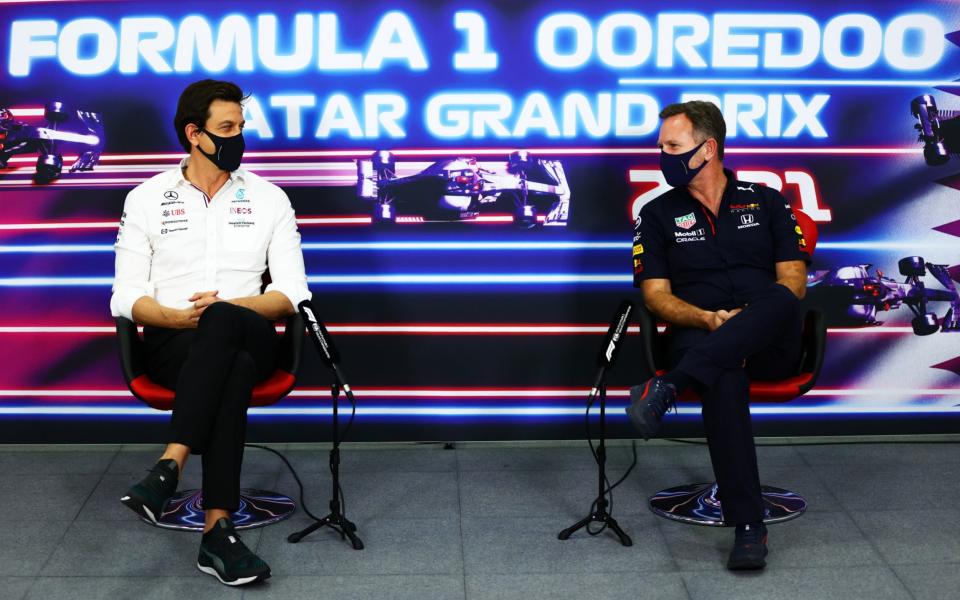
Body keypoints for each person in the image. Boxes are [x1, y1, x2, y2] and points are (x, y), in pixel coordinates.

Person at [110, 79, 310, 586]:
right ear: (194, 134)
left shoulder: (269, 198)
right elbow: (126, 297)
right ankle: (217, 534)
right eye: (226, 128)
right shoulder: (146, 198)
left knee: (226, 324)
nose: (238, 138)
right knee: (232, 367)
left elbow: (291, 294)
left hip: (254, 333)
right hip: (174, 340)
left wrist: (226, 309)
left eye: (241, 127)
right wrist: (181, 318)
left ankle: (170, 462)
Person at [626, 100, 809, 570]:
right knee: (721, 373)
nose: (662, 154)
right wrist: (709, 320)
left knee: (777, 299)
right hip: (699, 333)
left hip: (769, 337)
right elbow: (656, 297)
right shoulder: (657, 213)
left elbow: (793, 282)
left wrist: (745, 320)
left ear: (708, 149)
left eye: (672, 145)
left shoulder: (766, 200)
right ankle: (749, 526)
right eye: (661, 145)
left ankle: (669, 385)